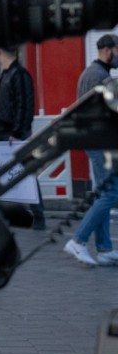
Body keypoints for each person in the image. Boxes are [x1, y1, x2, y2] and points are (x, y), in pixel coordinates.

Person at [63, 34, 118, 266]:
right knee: (110, 194)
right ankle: (78, 240)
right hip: (100, 144)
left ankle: (104, 249)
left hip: (95, 142)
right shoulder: (99, 76)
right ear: (107, 50)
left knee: (103, 193)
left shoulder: (93, 73)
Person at [0, 45, 43, 229]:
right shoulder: (8, 74)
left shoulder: (18, 74)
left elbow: (25, 104)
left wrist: (18, 131)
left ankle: (37, 214)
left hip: (11, 133)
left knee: (24, 172)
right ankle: (6, 213)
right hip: (3, 132)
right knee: (6, 173)